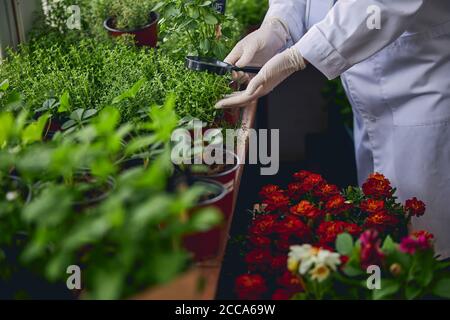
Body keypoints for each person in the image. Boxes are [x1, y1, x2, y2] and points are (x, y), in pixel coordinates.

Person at [215, 0, 450, 259]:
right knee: (382, 227)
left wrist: (298, 56)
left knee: (425, 243)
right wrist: (278, 23)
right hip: (371, 88)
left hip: (423, 80)